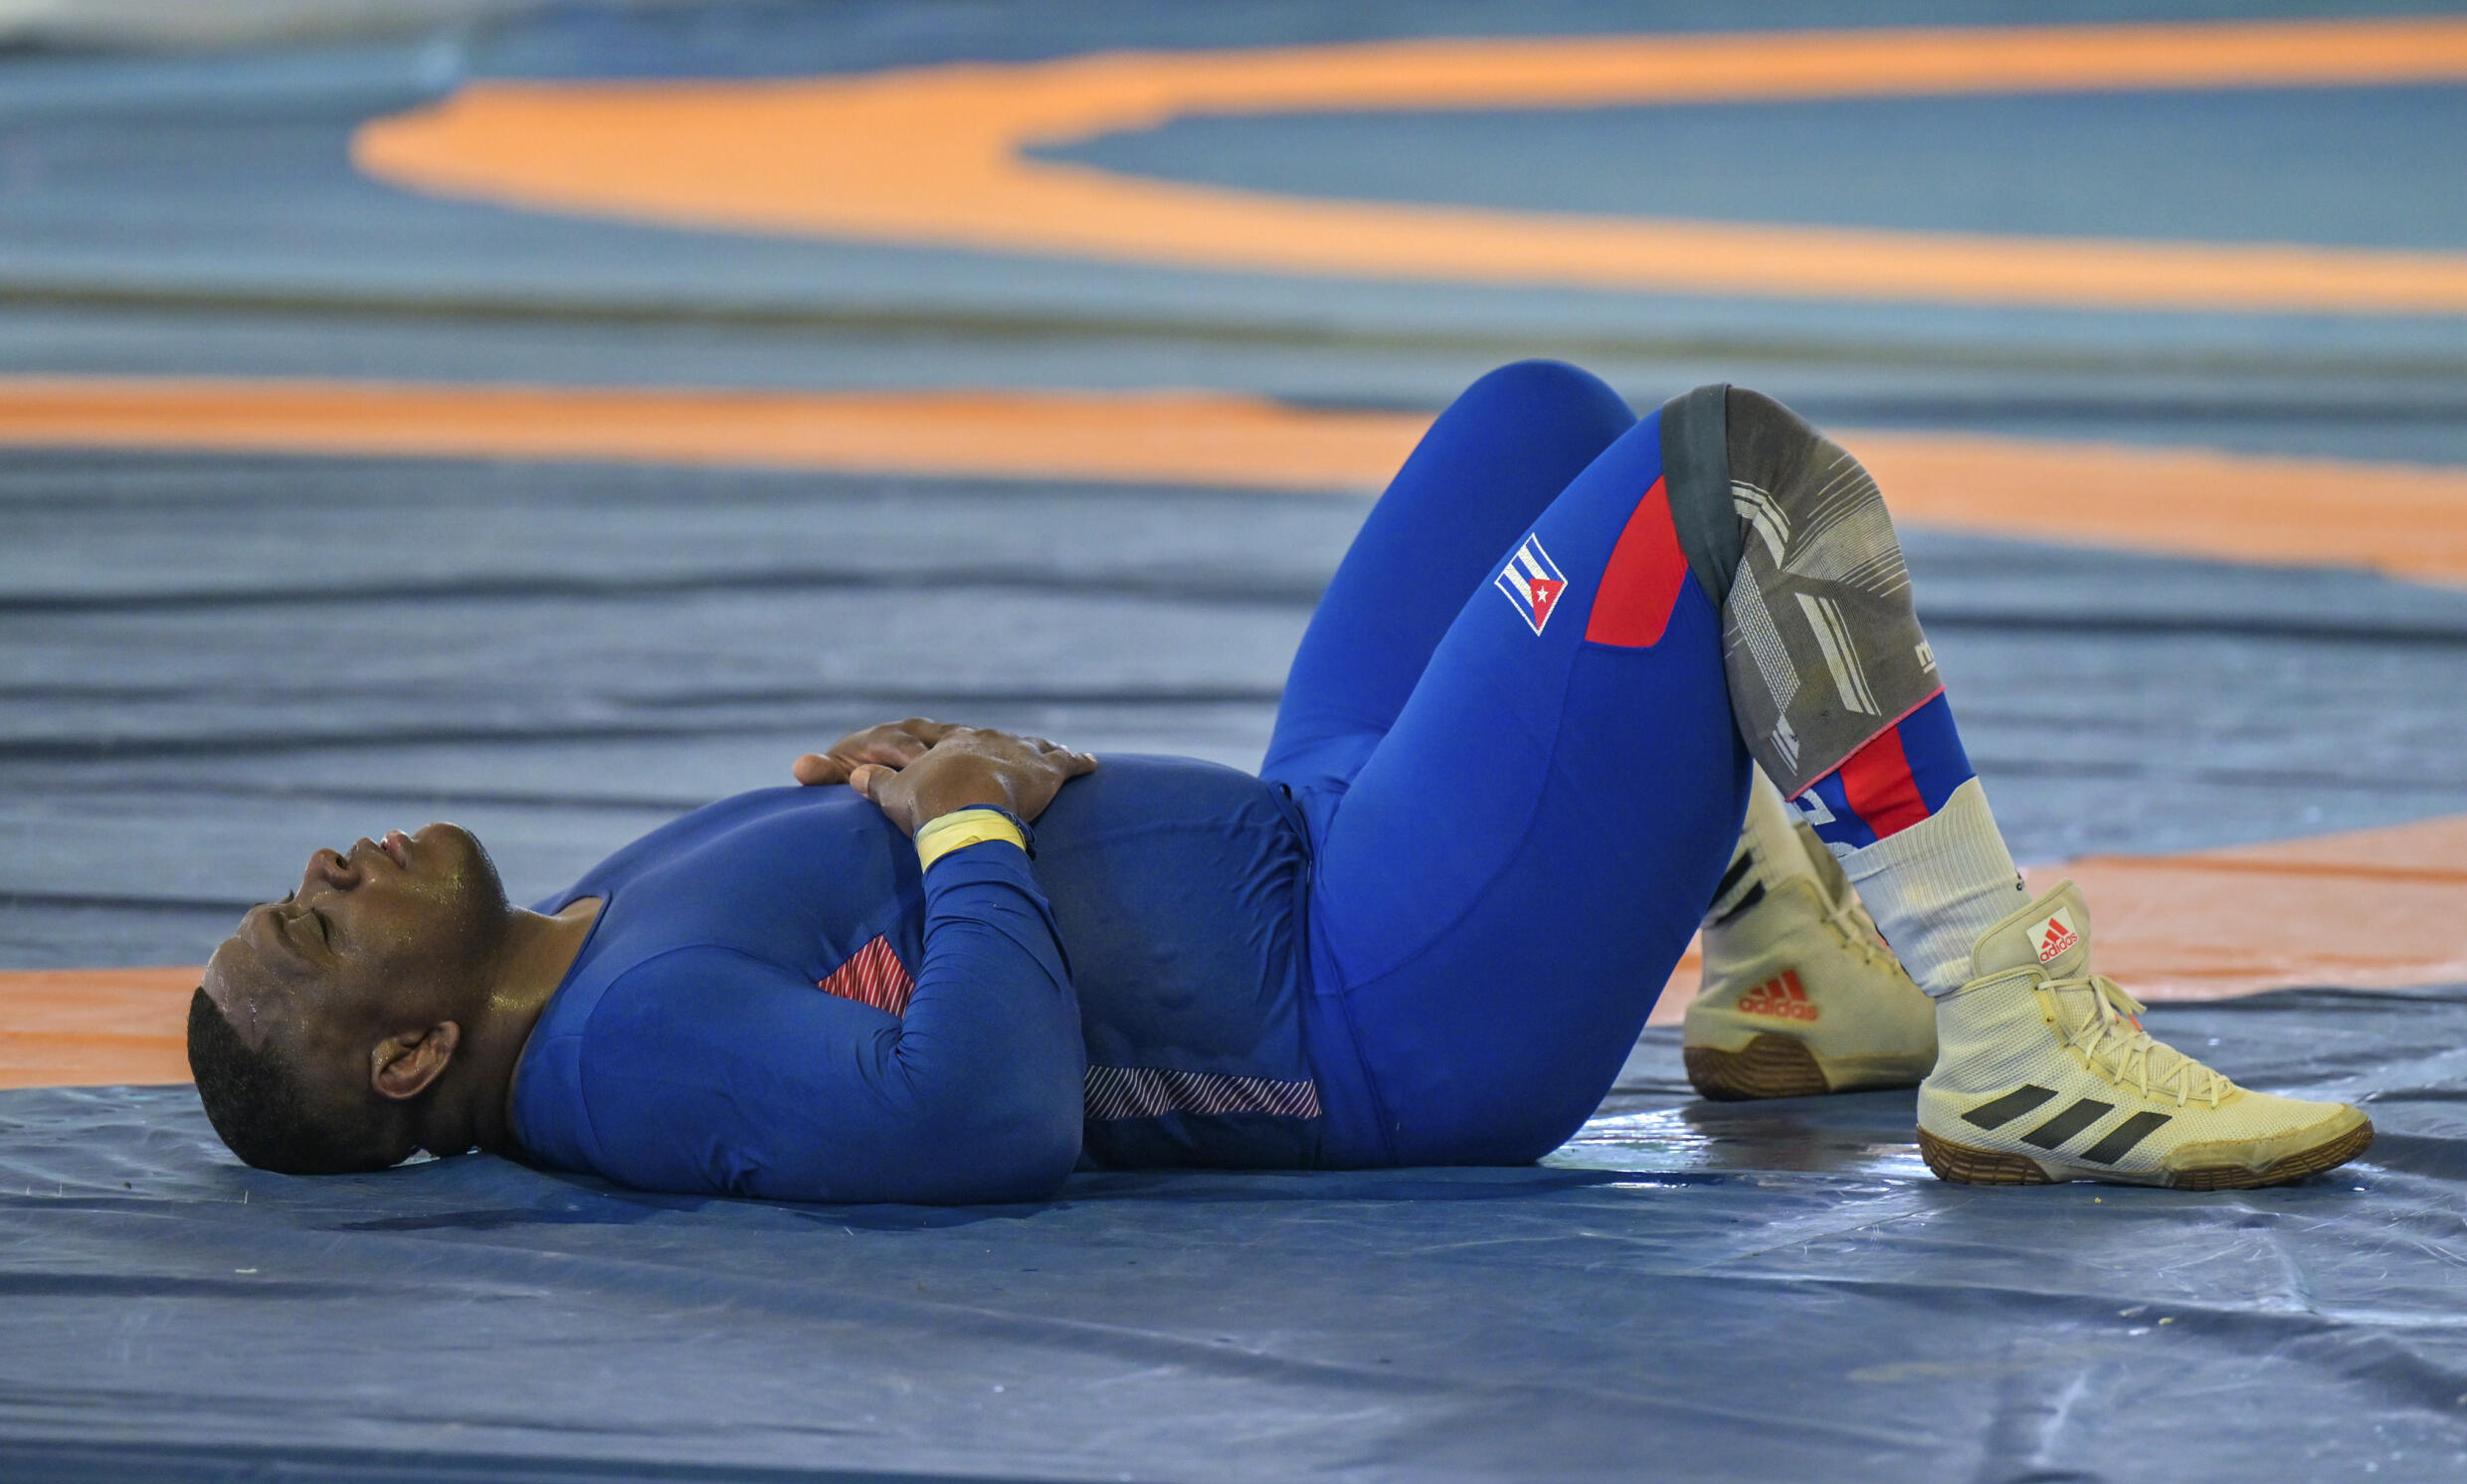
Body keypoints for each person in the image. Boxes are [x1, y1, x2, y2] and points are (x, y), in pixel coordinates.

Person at [187, 363, 2372, 1204]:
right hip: (1381, 997)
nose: (325, 867)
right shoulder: (621, 1052)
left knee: (1533, 420)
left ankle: (1786, 964)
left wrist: (921, 784)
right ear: (407, 1046)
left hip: (1312, 839)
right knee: (1724, 482)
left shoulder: (582, 933)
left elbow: (880, 919)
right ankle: (2002, 1023)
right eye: (315, 923)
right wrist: (957, 812)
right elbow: (970, 1114)